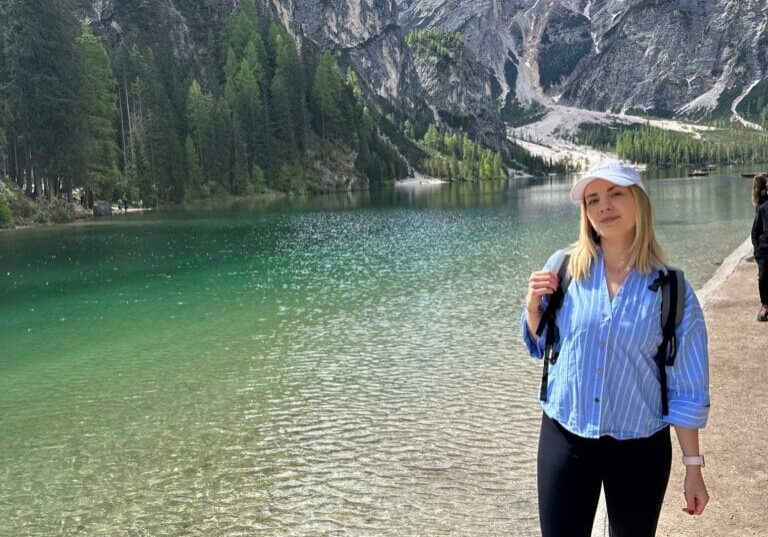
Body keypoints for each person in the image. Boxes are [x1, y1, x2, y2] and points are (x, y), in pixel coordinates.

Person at [521, 160, 710, 537]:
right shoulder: (564, 268)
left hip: (640, 448)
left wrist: (693, 467)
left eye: (615, 194)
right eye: (593, 200)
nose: (603, 206)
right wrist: (530, 309)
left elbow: (686, 387)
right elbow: (540, 344)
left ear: (638, 200)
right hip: (565, 436)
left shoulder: (672, 289)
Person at [751, 174, 768, 321]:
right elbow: (755, 230)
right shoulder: (762, 207)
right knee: (763, 277)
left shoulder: (761, 204)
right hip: (762, 249)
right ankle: (765, 305)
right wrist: (757, 249)